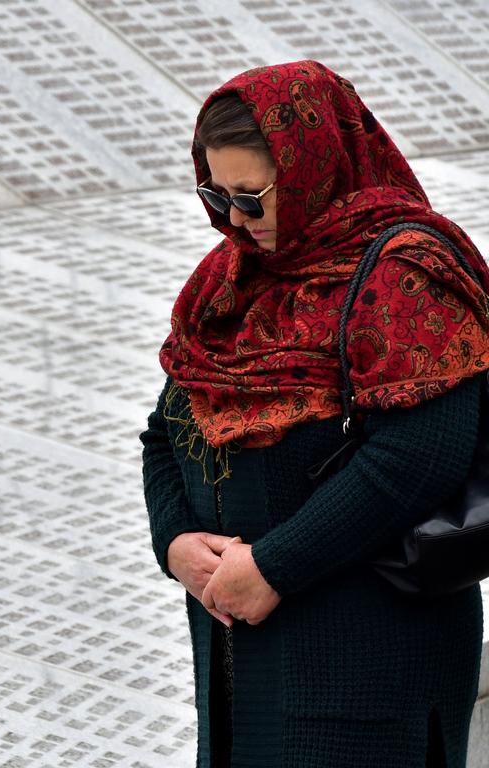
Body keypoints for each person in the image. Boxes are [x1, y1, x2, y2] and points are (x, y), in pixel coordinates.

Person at [140, 59, 489, 767]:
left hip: (369, 670)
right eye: (216, 194)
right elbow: (165, 431)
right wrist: (175, 544)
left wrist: (273, 567)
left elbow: (418, 458)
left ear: (310, 170)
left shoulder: (408, 275)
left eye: (252, 197)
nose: (234, 220)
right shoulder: (230, 279)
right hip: (242, 660)